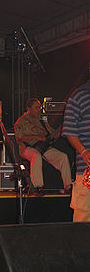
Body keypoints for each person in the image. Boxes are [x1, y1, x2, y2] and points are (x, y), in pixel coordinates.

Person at [14, 98, 72, 196]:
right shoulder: (21, 121)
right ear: (29, 108)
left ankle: (68, 186)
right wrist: (36, 137)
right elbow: (19, 138)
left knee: (63, 157)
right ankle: (37, 187)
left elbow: (53, 135)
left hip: (43, 148)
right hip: (27, 148)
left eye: (39, 107)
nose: (39, 109)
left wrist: (63, 126)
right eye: (36, 108)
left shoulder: (42, 121)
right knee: (36, 155)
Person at [62, 77, 90, 222]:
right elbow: (69, 131)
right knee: (83, 221)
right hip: (87, 171)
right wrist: (84, 151)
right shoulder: (79, 96)